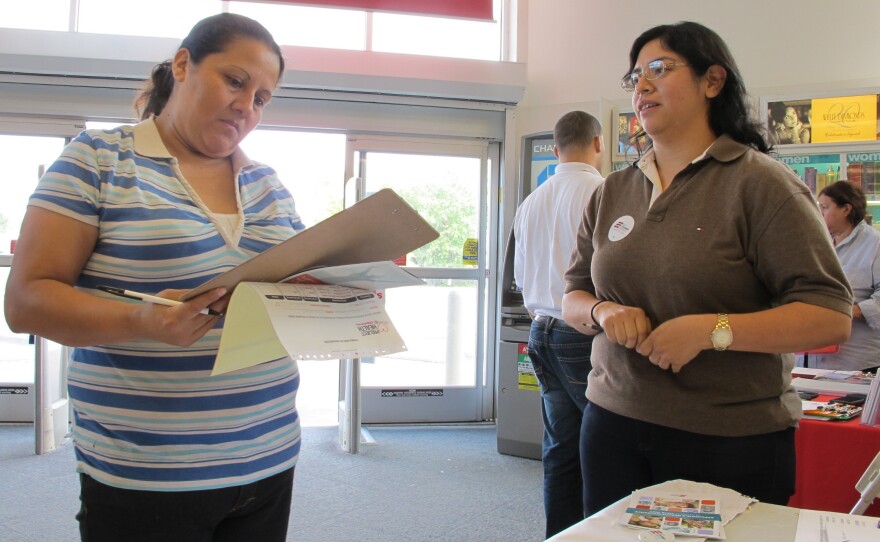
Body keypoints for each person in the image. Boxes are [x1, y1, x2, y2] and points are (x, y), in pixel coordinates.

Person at [4, 13, 305, 542]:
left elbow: (292, 285)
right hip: (149, 472)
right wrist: (142, 320)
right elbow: (27, 300)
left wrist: (332, 298)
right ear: (184, 64)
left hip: (269, 452)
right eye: (235, 81)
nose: (246, 105)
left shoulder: (268, 183)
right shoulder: (96, 159)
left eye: (262, 98)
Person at [560, 21, 853, 517]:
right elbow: (572, 296)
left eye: (660, 69)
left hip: (728, 439)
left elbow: (829, 316)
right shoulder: (614, 189)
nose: (642, 86)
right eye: (634, 77)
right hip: (611, 421)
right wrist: (603, 311)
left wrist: (710, 331)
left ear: (712, 81)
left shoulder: (763, 185)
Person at [512, 110, 604, 537]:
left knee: (560, 448)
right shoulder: (604, 192)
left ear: (555, 149)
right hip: (584, 334)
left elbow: (520, 274)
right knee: (606, 447)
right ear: (598, 143)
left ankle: (560, 535)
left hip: (540, 334)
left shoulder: (531, 201)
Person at [813, 181, 880, 373]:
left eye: (825, 207)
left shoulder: (874, 245)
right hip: (815, 357)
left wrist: (849, 312)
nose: (820, 213)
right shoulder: (820, 242)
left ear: (846, 209)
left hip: (859, 361)